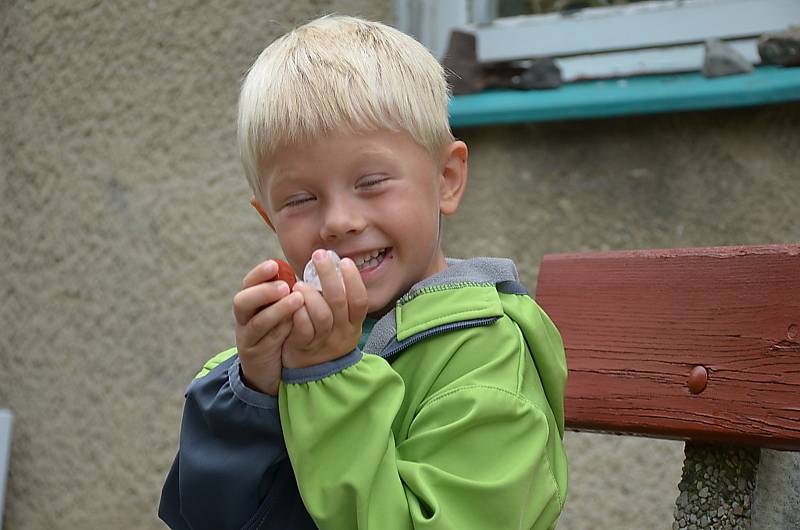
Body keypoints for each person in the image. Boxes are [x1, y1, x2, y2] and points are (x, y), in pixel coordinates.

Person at [159, 15, 568, 530]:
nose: (339, 222)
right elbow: (204, 518)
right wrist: (252, 393)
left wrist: (328, 377)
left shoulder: (485, 356)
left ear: (446, 179)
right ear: (268, 218)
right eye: (300, 199)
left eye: (371, 182)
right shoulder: (289, 350)